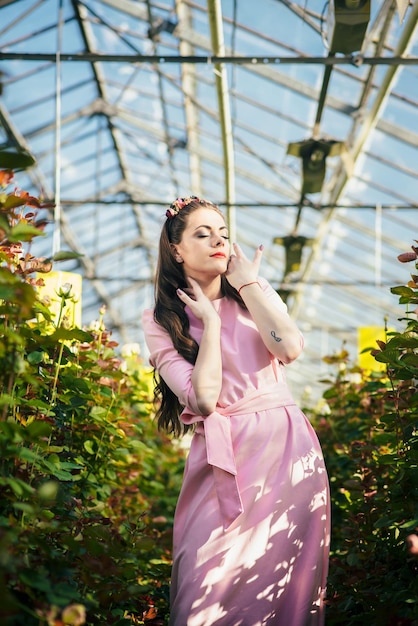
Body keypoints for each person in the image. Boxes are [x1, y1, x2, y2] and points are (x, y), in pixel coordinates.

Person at [142, 196, 330, 626]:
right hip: (220, 457)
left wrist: (249, 285)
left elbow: (291, 348)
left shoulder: (252, 291)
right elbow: (203, 399)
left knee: (284, 587)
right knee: (200, 586)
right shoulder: (160, 319)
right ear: (176, 249)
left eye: (223, 233)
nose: (218, 241)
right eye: (203, 233)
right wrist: (209, 324)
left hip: (284, 451)